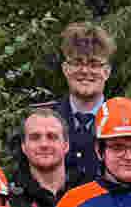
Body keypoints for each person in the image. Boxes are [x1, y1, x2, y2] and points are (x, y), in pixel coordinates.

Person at [45, 22, 116, 179]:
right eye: (77, 62)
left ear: (107, 71)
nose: (85, 71)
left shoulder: (124, 122)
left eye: (94, 64)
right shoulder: (44, 121)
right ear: (65, 69)